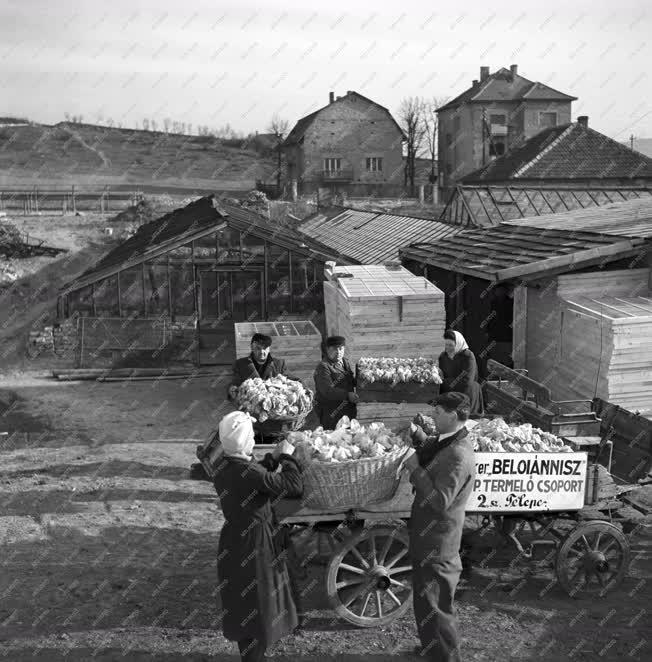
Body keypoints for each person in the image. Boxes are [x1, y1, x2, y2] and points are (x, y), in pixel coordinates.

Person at [213, 410, 303, 662]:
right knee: (258, 601)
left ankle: (253, 655)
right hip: (256, 543)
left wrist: (271, 460)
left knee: (244, 603)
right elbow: (294, 487)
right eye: (251, 436)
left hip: (234, 540)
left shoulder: (222, 466)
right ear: (245, 441)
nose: (254, 440)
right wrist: (287, 457)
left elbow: (254, 476)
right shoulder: (250, 474)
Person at [402, 392, 476, 662]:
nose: (434, 415)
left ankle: (447, 657)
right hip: (428, 539)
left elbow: (441, 501)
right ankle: (433, 650)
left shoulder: (459, 454)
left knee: (437, 607)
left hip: (438, 542)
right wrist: (419, 438)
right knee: (426, 603)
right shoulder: (449, 443)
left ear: (454, 415)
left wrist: (415, 469)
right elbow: (435, 450)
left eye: (439, 412)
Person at [227, 333, 297, 400]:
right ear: (252, 347)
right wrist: (232, 389)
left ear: (269, 349)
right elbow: (235, 382)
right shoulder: (240, 364)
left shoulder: (279, 364)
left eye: (265, 348)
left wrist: (305, 388)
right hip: (249, 408)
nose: (262, 351)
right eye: (258, 348)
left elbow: (293, 379)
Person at [313, 336, 358, 430]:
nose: (338, 352)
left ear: (344, 349)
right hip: (332, 413)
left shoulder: (345, 362)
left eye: (341, 349)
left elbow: (350, 381)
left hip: (348, 411)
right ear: (327, 349)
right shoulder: (323, 367)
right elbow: (327, 391)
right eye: (334, 349)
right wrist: (348, 395)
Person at [438, 330, 483, 415]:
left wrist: (443, 381)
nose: (447, 348)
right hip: (450, 395)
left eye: (451, 345)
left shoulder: (468, 356)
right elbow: (440, 376)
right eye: (446, 345)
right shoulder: (443, 356)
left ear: (458, 344)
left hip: (468, 395)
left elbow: (466, 382)